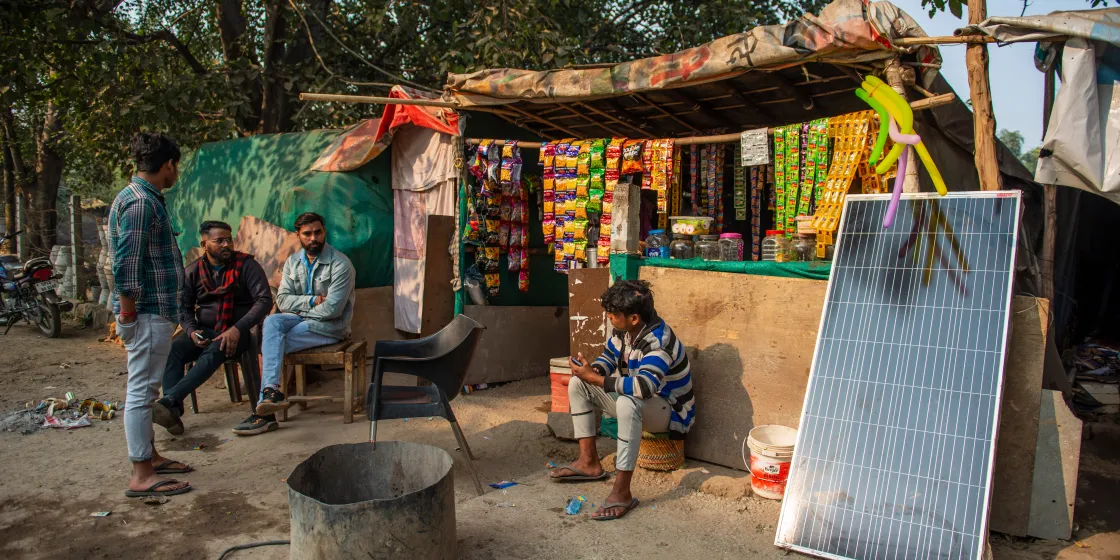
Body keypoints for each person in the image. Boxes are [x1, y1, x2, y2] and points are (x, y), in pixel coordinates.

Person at [549, 279, 696, 520]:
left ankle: (622, 491)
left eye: (613, 313)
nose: (608, 317)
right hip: (643, 403)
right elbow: (608, 358)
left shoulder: (658, 341)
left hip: (669, 412)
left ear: (634, 318)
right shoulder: (625, 330)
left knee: (628, 400)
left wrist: (596, 380)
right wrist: (591, 371)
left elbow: (644, 386)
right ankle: (589, 463)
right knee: (578, 383)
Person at [110, 132, 192, 498]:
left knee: (146, 389)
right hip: (146, 313)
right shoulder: (142, 203)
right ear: (168, 165)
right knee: (141, 393)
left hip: (149, 313)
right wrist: (127, 316)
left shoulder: (139, 198)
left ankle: (152, 457)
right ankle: (142, 474)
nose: (177, 173)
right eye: (177, 166)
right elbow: (127, 265)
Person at [233, 212, 356, 436]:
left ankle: (264, 413)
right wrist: (310, 300)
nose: (313, 238)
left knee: (272, 342)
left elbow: (332, 310)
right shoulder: (293, 262)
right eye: (307, 234)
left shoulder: (341, 265)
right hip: (301, 320)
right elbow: (282, 301)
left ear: (324, 232)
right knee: (272, 321)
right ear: (298, 235)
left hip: (330, 327)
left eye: (318, 232)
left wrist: (297, 307)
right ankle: (271, 393)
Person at [153, 220, 273, 435]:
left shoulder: (247, 266)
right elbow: (184, 308)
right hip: (205, 330)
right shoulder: (192, 271)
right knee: (174, 350)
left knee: (216, 348)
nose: (226, 245)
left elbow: (264, 301)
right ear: (204, 244)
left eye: (229, 240)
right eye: (219, 241)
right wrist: (191, 330)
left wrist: (237, 328)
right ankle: (173, 411)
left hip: (241, 332)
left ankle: (169, 400)